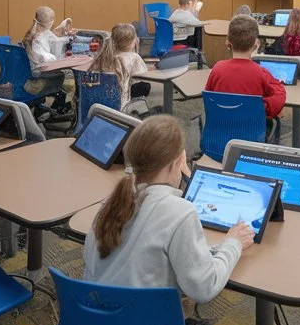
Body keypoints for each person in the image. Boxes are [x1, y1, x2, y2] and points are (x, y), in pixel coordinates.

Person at [84, 116, 253, 310]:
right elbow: (205, 287)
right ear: (178, 162)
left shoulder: (111, 203)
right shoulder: (181, 213)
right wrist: (234, 243)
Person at [205, 15, 287, 141]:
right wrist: (262, 107)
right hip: (250, 146)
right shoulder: (261, 73)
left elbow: (210, 98)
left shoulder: (217, 69)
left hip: (217, 142)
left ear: (228, 42)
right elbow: (279, 97)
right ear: (256, 43)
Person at [94, 23, 152, 114]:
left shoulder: (104, 57)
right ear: (133, 41)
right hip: (124, 108)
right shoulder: (134, 57)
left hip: (102, 106)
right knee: (145, 87)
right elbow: (144, 81)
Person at [21, 6, 74, 97]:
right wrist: (59, 59)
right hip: (40, 75)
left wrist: (65, 34)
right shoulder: (37, 40)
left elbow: (53, 39)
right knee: (67, 77)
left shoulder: (41, 33)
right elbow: (47, 60)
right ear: (50, 21)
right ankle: (61, 103)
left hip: (40, 71)